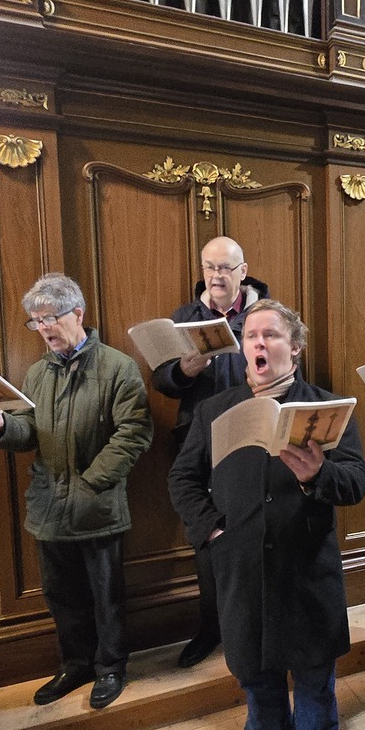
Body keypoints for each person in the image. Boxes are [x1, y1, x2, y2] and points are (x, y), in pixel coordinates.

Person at [168, 299, 365, 730]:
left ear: (294, 348)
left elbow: (356, 482)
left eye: (270, 335)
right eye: (250, 336)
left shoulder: (327, 409)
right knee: (258, 680)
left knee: (314, 683)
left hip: (306, 571)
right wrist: (212, 530)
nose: (257, 343)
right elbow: (183, 479)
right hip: (242, 571)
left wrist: (319, 474)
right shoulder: (216, 410)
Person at [0, 273, 152, 711]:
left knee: (105, 596)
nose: (43, 328)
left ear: (78, 313)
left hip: (97, 505)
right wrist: (0, 425)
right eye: (36, 321)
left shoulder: (117, 367)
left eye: (50, 318)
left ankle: (110, 667)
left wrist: (89, 485)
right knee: (61, 596)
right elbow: (28, 431)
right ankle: (76, 665)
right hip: (49, 506)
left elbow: (133, 433)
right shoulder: (37, 373)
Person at [150, 236, 268, 668]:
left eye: (225, 267)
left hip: (254, 432)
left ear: (243, 271)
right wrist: (184, 370)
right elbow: (162, 381)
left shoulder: (263, 314)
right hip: (199, 439)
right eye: (209, 267)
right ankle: (212, 627)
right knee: (207, 534)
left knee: (257, 526)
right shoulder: (185, 318)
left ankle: (260, 623)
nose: (216, 276)